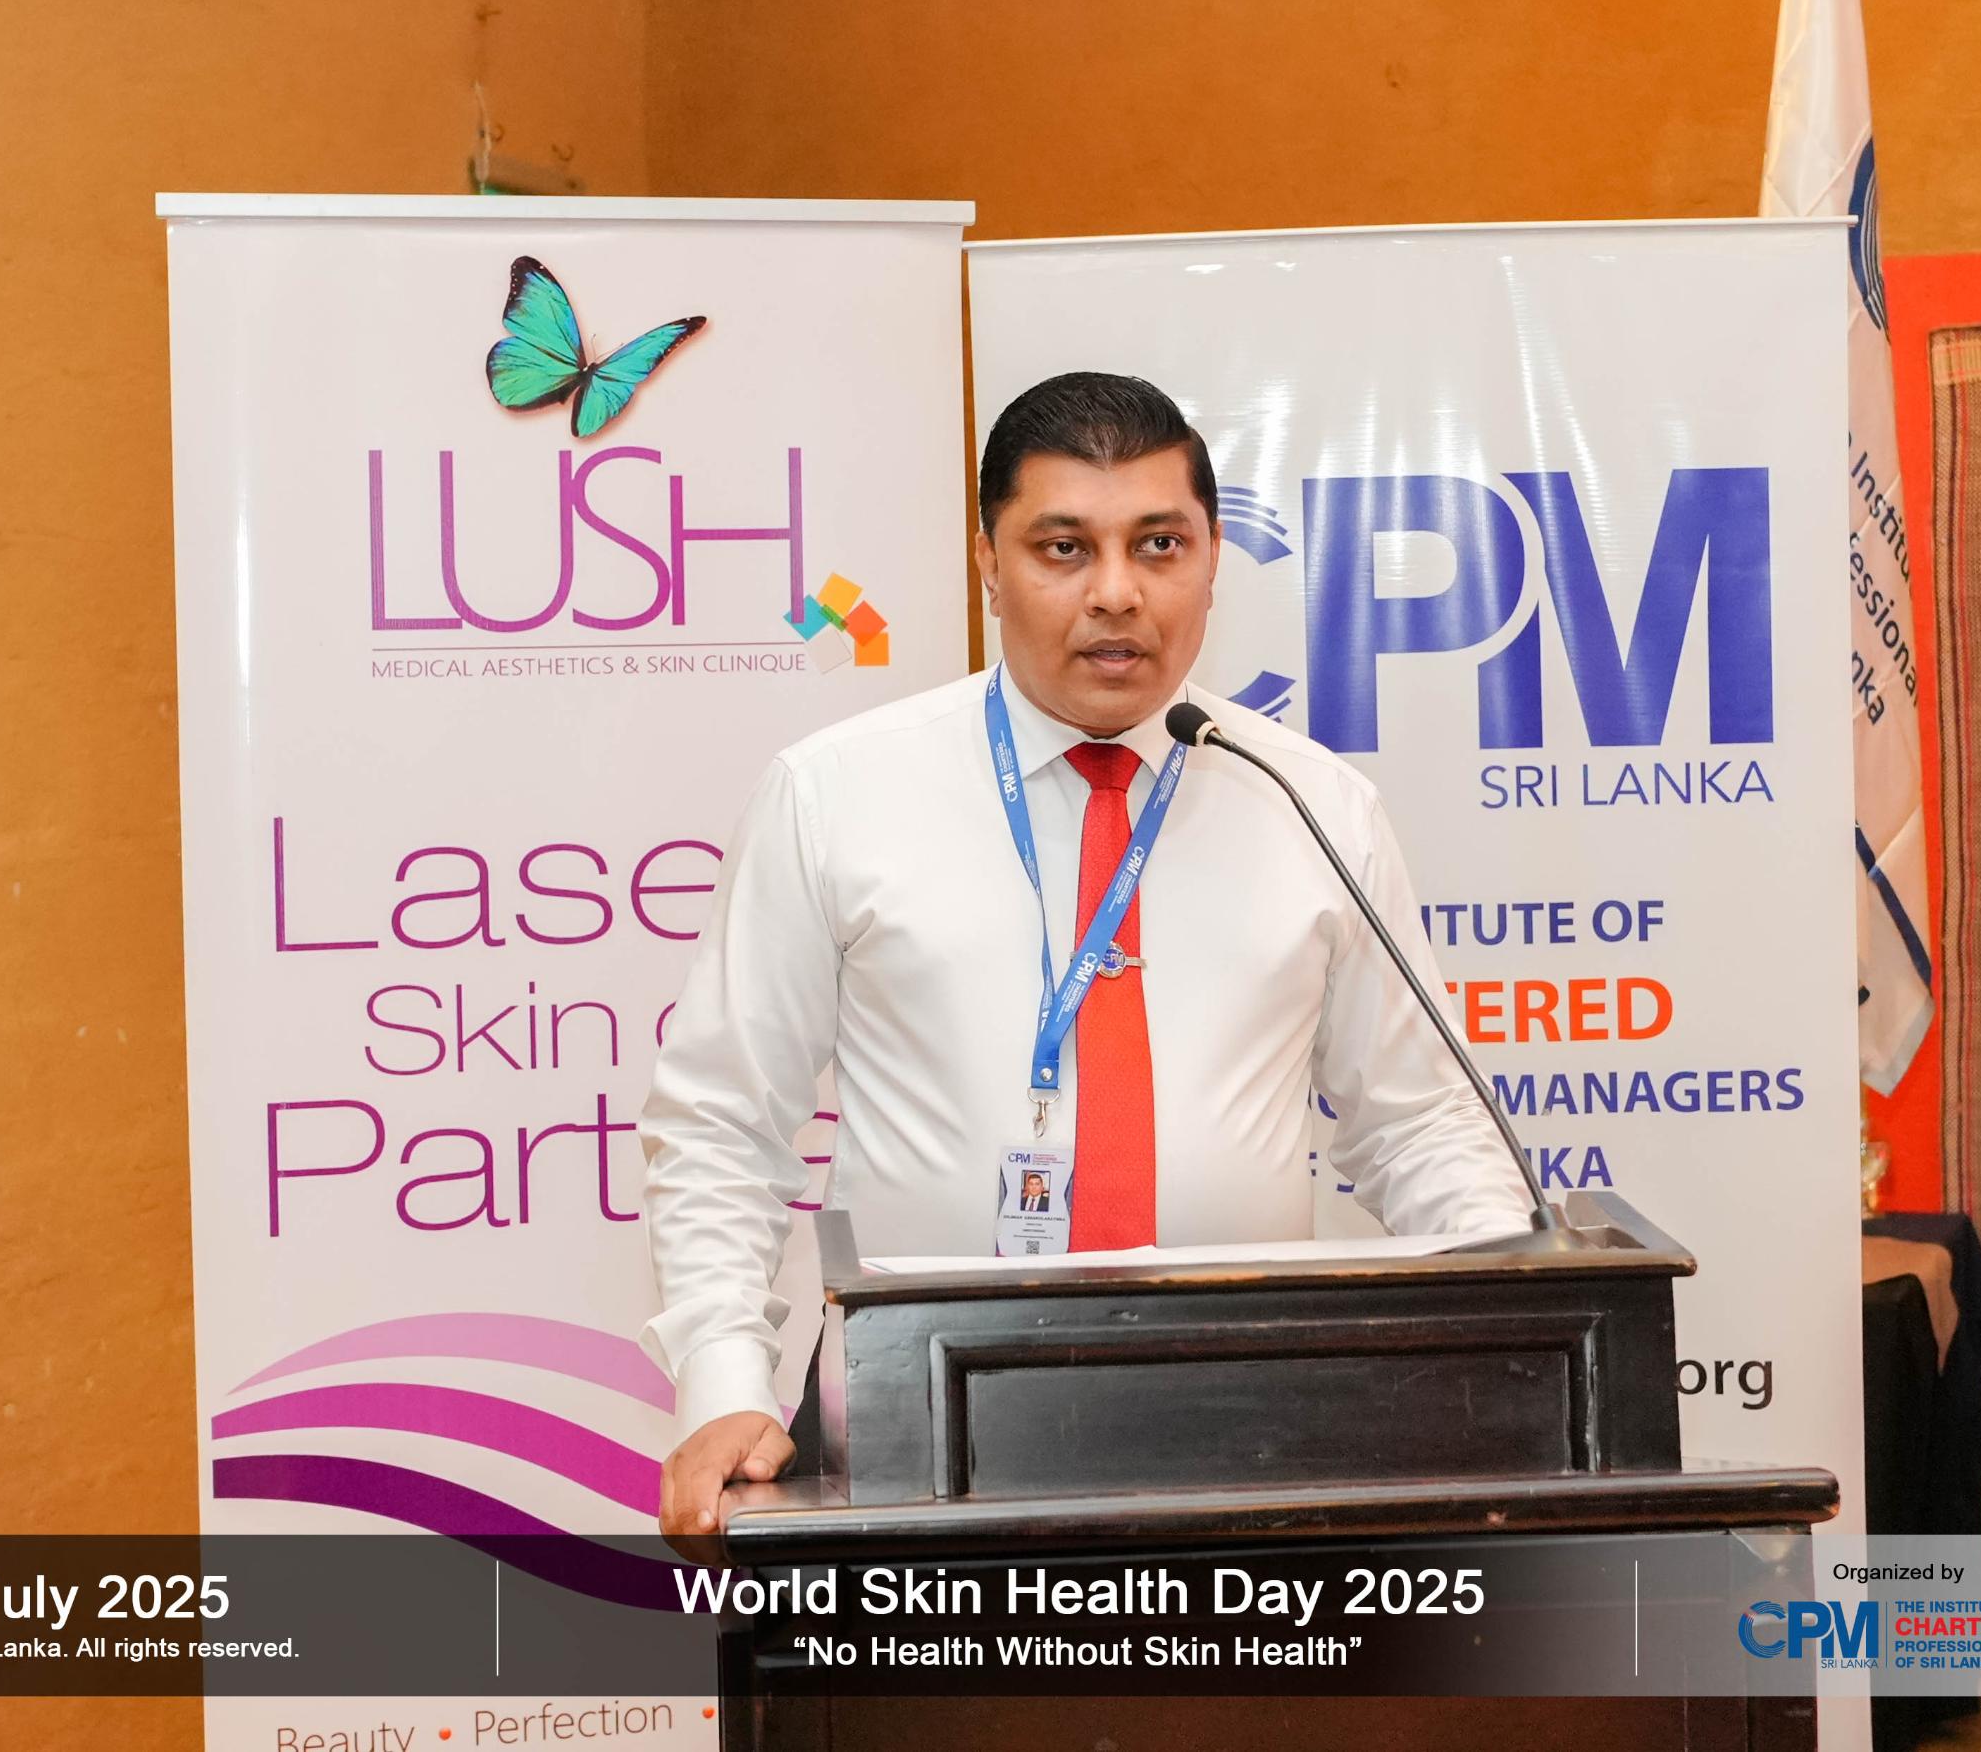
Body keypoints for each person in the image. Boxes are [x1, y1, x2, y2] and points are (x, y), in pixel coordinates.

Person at [640, 369, 1531, 1536]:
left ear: (1212, 557)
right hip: (910, 1419)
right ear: (988, 562)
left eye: (1158, 544)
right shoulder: (836, 793)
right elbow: (723, 1116)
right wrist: (722, 1384)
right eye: (1063, 547)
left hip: (1254, 1416)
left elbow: (1421, 1123)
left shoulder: (1311, 803)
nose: (1117, 591)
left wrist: (1517, 1358)